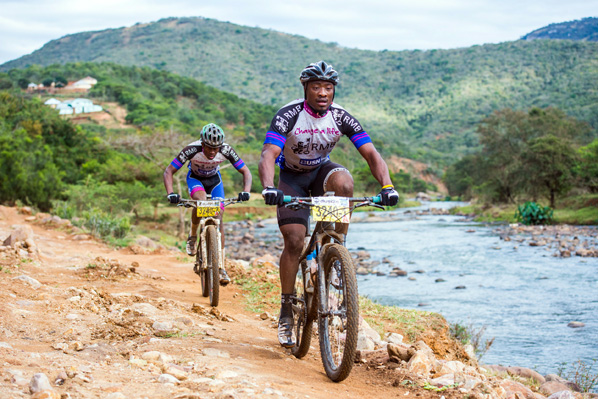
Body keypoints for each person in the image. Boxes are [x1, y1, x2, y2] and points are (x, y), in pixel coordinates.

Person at [258, 60, 399, 347]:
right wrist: (269, 188)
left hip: (320, 174)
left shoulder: (342, 117)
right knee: (295, 242)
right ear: (306, 89)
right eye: (316, 87)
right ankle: (286, 309)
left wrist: (388, 186)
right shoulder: (289, 114)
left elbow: (371, 154)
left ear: (333, 91)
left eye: (328, 88)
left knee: (344, 182)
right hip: (292, 179)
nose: (323, 92)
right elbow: (269, 154)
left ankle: (337, 249)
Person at [164, 123, 252, 285]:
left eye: (216, 148)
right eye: (209, 147)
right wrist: (171, 193)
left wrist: (246, 190)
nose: (212, 152)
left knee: (219, 217)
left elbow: (245, 171)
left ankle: (221, 266)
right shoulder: (191, 150)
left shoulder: (226, 150)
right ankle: (192, 236)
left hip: (215, 181)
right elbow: (169, 171)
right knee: (201, 201)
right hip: (195, 179)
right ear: (202, 143)